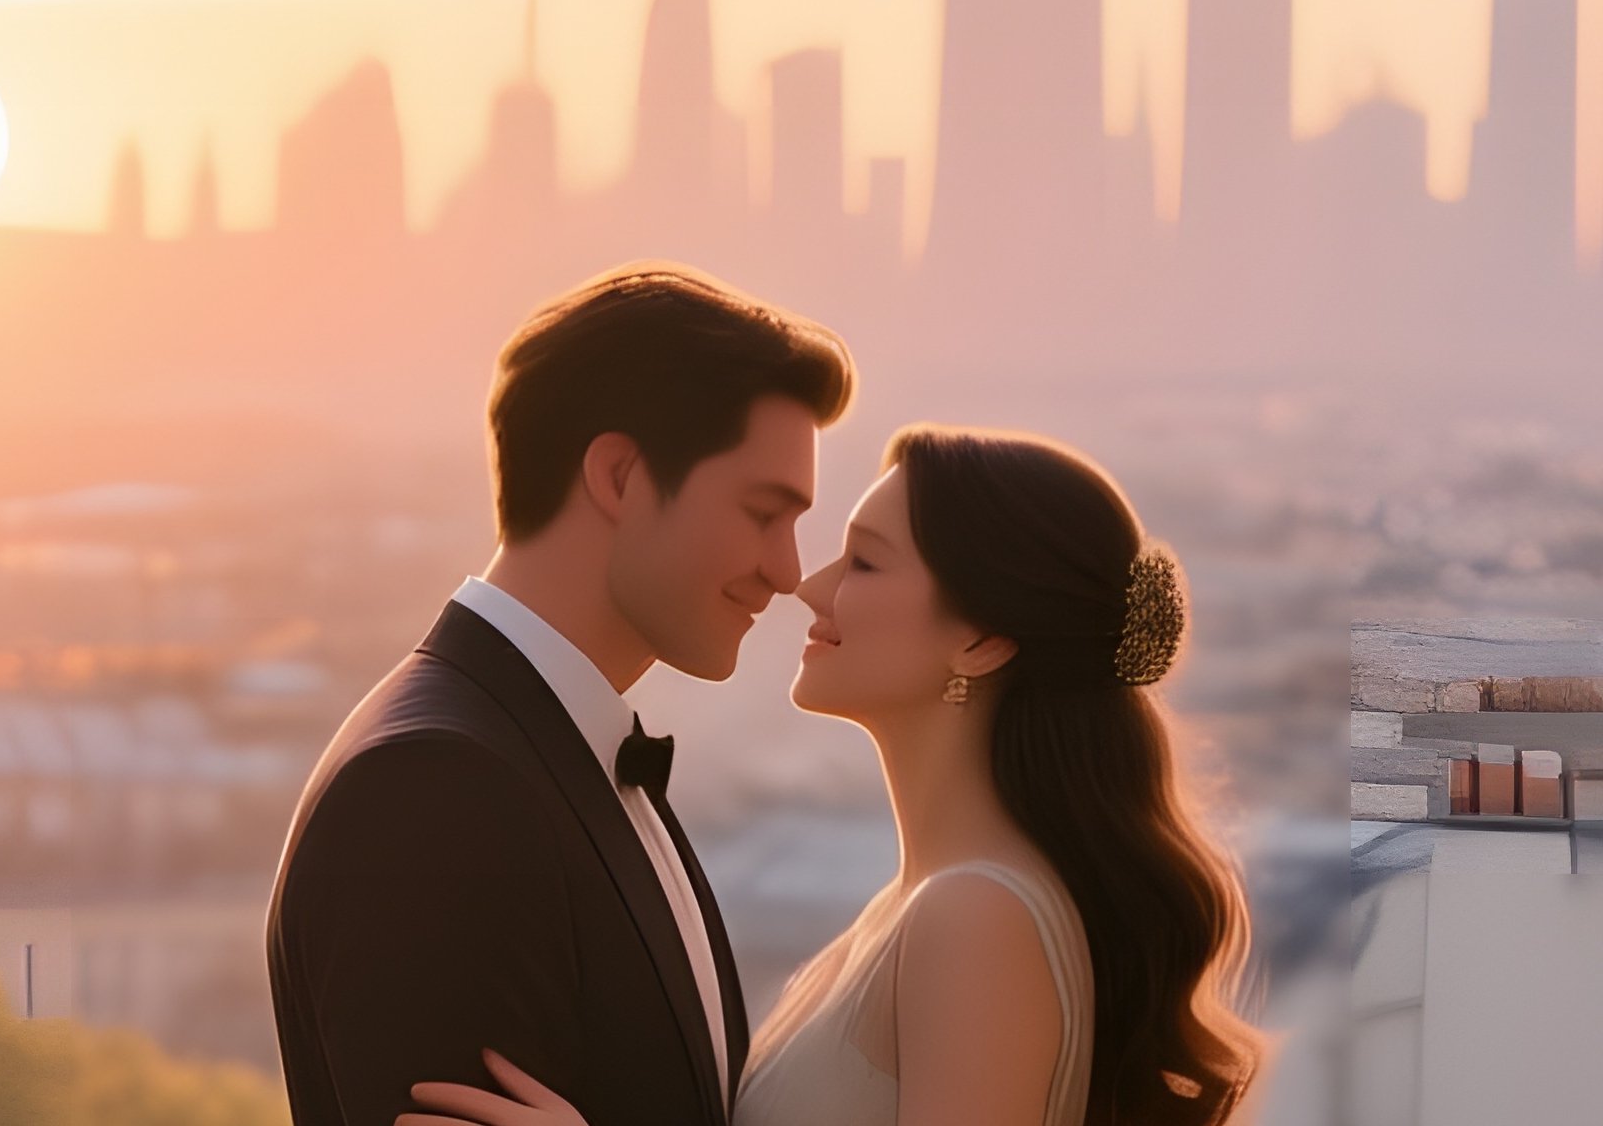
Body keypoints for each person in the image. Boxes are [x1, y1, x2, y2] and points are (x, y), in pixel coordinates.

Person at [400, 425, 1261, 1126]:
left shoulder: (976, 920)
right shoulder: (929, 907)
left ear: (983, 641)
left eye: (866, 562)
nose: (808, 586)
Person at [265, 263, 855, 1126]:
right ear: (618, 476)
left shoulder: (548, 756)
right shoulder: (434, 790)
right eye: (763, 513)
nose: (787, 570)